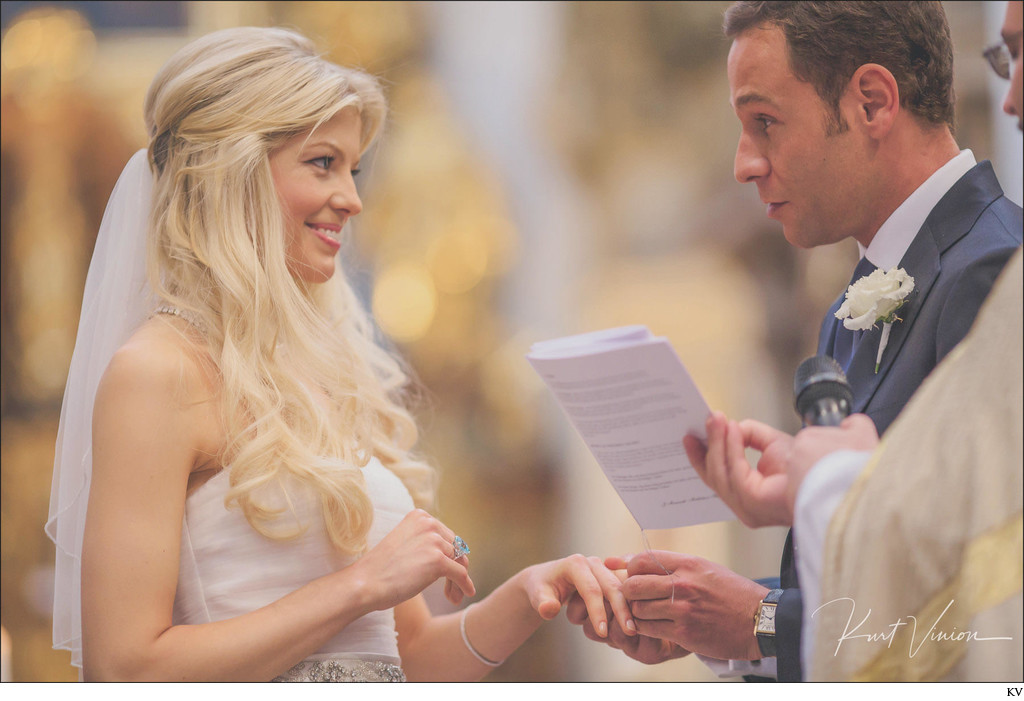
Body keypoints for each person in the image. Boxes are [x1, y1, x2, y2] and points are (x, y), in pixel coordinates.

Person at [44, 26, 632, 682]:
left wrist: (526, 597)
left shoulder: (327, 371)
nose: (352, 198)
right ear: (230, 171)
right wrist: (360, 584)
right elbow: (124, 668)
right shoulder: (157, 372)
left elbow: (409, 658)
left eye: (354, 168)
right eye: (324, 163)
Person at [566, 1, 1022, 681]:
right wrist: (719, 619)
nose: (744, 164)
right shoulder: (852, 305)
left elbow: (987, 596)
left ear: (872, 102)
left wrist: (758, 621)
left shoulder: (994, 270)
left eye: (766, 123)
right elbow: (894, 559)